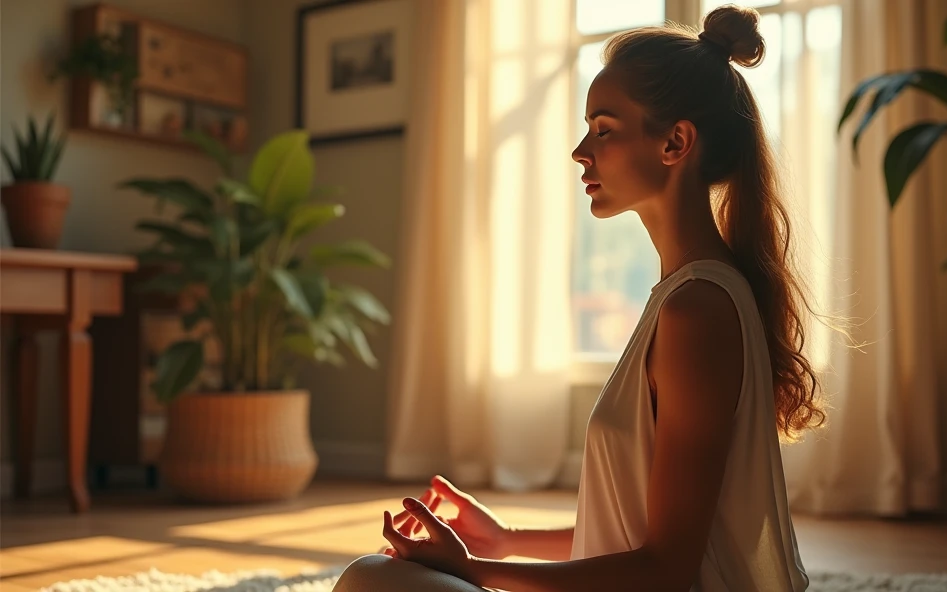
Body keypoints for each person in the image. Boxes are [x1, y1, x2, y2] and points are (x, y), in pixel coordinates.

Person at [334, 4, 826, 591]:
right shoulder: (687, 296)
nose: (580, 151)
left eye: (603, 129)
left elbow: (666, 569)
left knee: (370, 581)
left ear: (675, 142)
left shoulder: (699, 309)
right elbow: (643, 533)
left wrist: (476, 571)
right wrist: (504, 541)